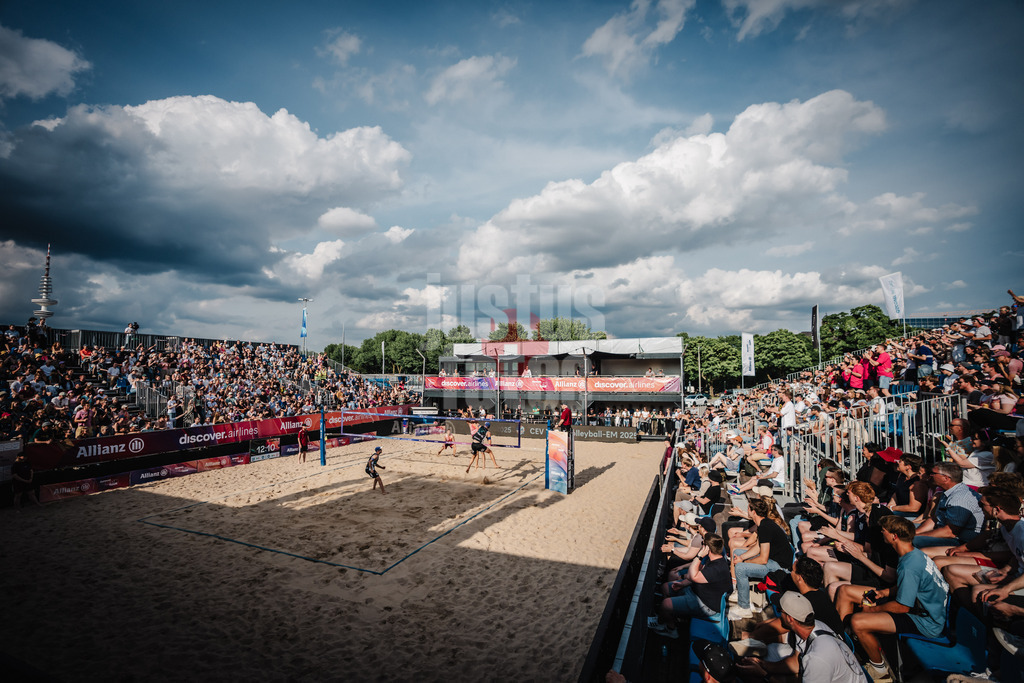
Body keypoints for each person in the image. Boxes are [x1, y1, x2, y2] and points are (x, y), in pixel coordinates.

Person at [850, 515, 949, 681]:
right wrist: (885, 593)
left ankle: (881, 672)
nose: (882, 534)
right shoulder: (915, 554)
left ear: (894, 536)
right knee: (867, 598)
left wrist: (874, 610)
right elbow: (910, 585)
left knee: (858, 622)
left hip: (926, 623)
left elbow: (903, 607)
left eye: (884, 532)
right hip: (927, 614)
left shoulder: (909, 566)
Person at [738, 592, 867, 683]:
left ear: (790, 618)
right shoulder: (813, 627)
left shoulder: (816, 659)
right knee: (771, 651)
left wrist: (765, 675)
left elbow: (813, 663)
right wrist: (763, 665)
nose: (777, 614)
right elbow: (795, 662)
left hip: (824, 672)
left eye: (780, 610)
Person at [647, 533, 731, 638]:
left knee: (665, 604)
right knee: (665, 588)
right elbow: (697, 576)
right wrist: (682, 584)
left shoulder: (716, 569)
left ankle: (671, 629)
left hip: (705, 604)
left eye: (703, 544)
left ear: (707, 548)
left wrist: (700, 555)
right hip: (696, 591)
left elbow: (692, 576)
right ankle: (673, 615)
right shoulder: (715, 559)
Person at [731, 498, 794, 620]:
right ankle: (741, 591)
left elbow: (763, 559)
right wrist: (741, 556)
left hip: (778, 567)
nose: (747, 510)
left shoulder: (765, 527)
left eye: (748, 508)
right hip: (772, 560)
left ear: (753, 511)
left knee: (740, 568)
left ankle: (744, 608)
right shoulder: (763, 524)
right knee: (738, 552)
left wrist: (744, 561)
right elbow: (758, 548)